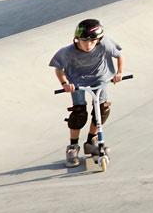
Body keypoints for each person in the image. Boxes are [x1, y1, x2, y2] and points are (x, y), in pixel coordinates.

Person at [51, 19, 126, 167]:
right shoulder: (67, 52)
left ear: (98, 40)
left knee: (102, 109)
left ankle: (91, 140)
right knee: (79, 113)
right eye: (84, 41)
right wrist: (65, 84)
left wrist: (120, 73)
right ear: (77, 39)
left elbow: (119, 55)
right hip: (77, 82)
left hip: (100, 79)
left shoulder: (105, 44)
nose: (88, 45)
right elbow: (58, 69)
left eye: (93, 41)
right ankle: (73, 146)